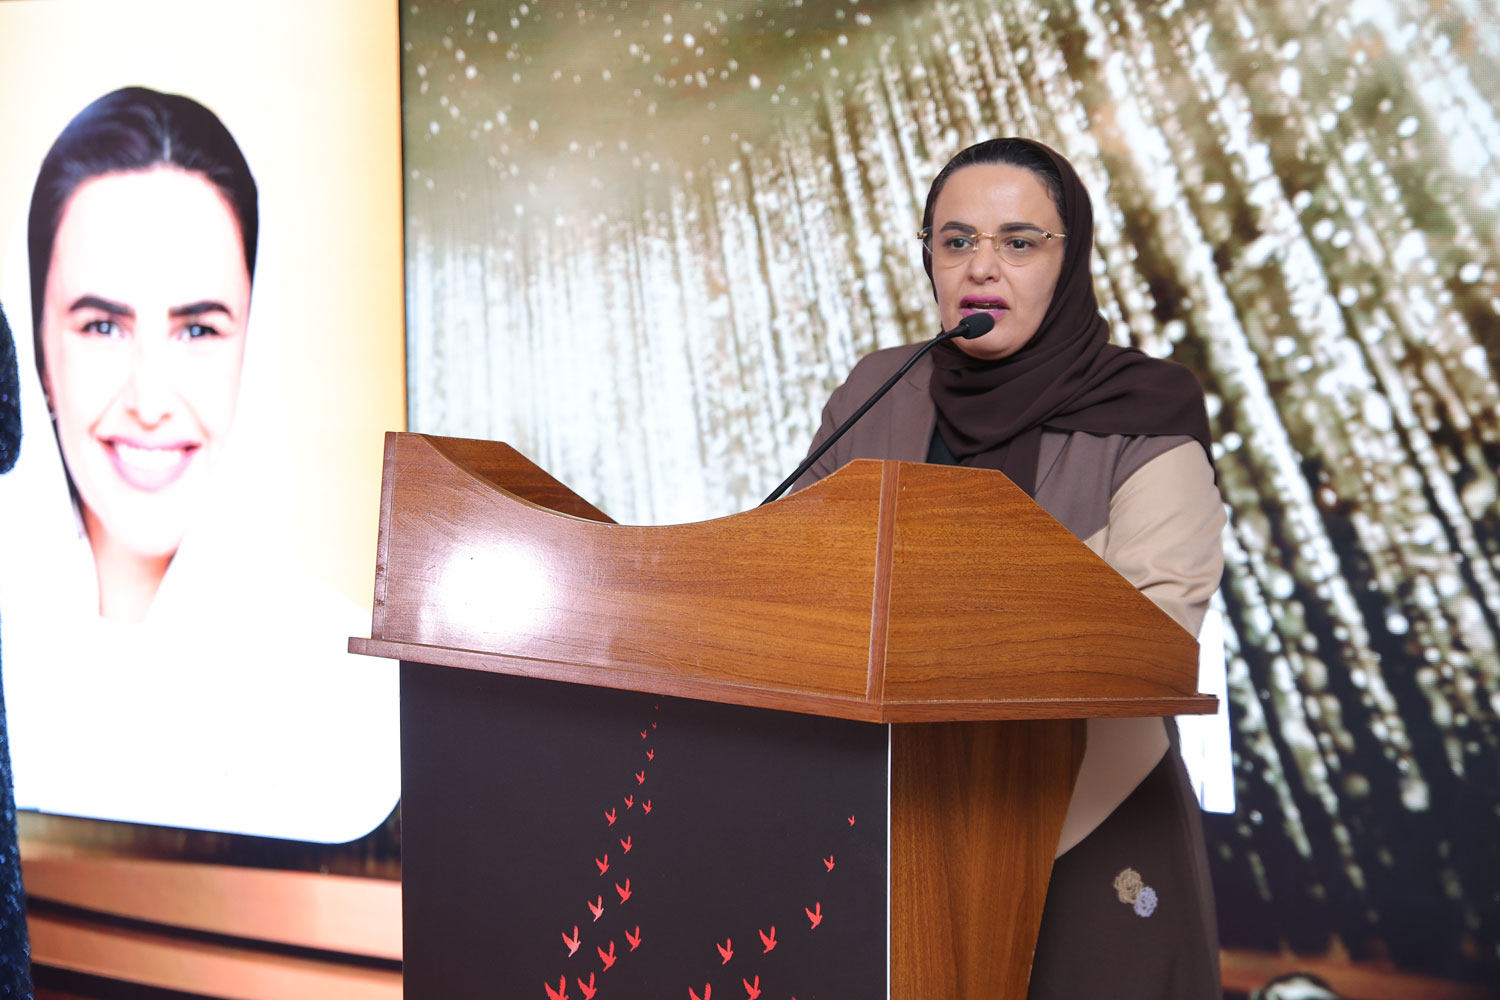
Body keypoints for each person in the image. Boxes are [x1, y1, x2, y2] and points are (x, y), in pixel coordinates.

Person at [793, 138, 1225, 998]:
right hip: (893, 824)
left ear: (1072, 257)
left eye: (1019, 242)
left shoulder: (1146, 408)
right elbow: (792, 573)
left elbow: (1151, 635)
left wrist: (930, 625)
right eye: (956, 241)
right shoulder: (880, 390)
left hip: (1085, 815)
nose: (982, 266)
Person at [27, 86, 257, 623]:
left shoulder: (355, 668)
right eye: (103, 327)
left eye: (197, 330)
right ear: (41, 352)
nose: (149, 405)